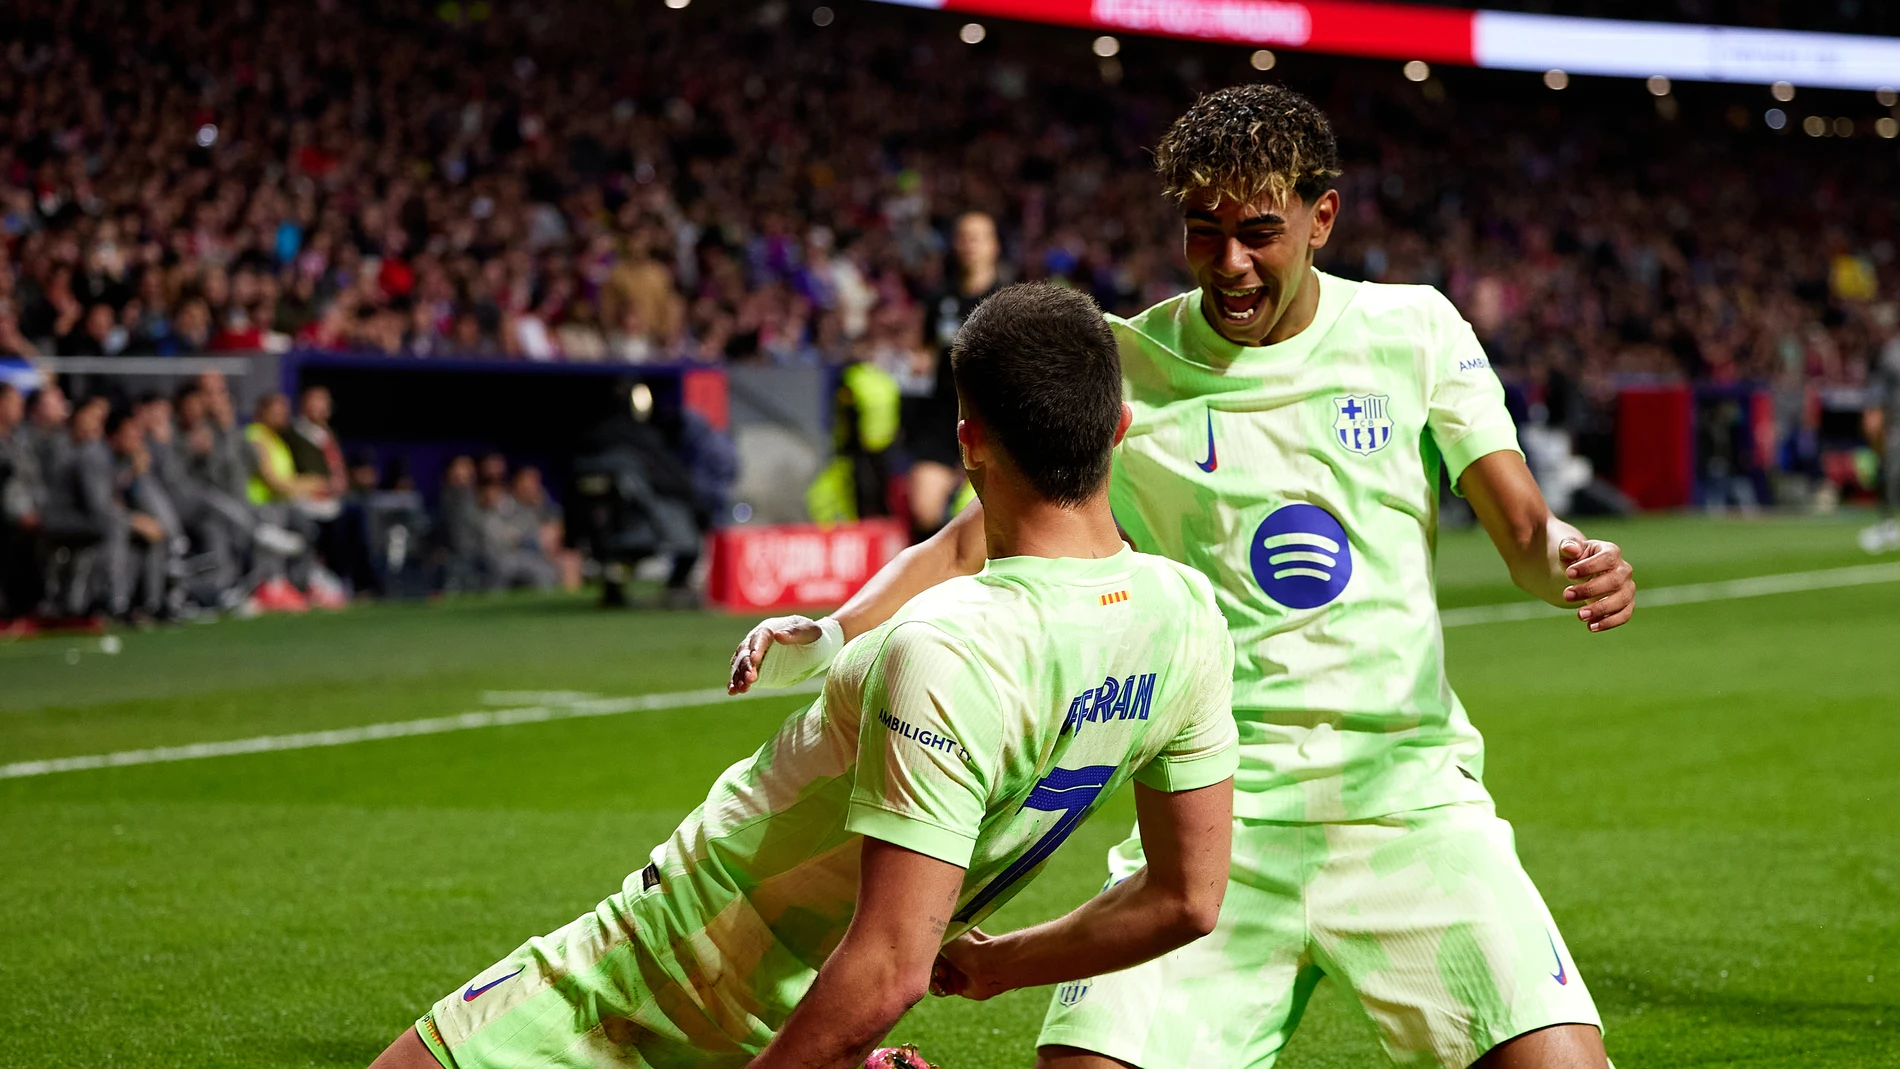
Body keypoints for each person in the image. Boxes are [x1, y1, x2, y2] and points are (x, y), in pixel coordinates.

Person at [730, 85, 1639, 1069]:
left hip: (1410, 805)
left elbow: (1523, 529)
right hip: (1215, 823)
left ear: (1320, 216)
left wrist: (1575, 566)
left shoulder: (1415, 330)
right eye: (1203, 233)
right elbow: (969, 537)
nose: (1230, 264)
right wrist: (830, 634)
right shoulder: (1130, 361)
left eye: (1259, 232)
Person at [368, 284, 1241, 1069]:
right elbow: (1186, 900)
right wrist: (996, 965)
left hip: (640, 974)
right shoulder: (1188, 616)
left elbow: (892, 964)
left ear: (969, 444)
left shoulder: (945, 645)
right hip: (805, 1022)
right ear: (1117, 427)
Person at [903, 212, 1000, 542]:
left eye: (979, 237)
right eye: (964, 237)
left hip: (993, 417)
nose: (970, 245)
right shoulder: (938, 300)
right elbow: (925, 352)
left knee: (987, 518)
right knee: (923, 509)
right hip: (944, 414)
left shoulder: (1007, 298)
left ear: (994, 245)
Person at [1860, 330, 1900, 553]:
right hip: (1897, 424)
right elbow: (1881, 386)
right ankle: (1888, 525)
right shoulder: (1893, 352)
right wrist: (1874, 410)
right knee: (1890, 472)